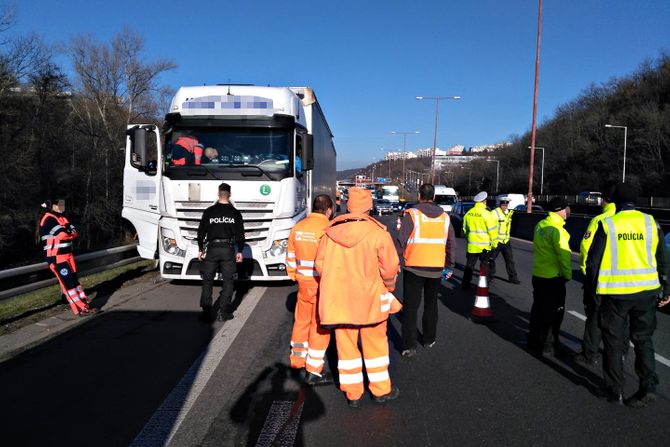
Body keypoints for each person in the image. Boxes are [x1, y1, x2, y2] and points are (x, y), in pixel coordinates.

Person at [315, 187, 401, 407]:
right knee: (376, 347)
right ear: (369, 207)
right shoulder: (378, 233)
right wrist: (388, 288)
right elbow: (390, 268)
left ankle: (353, 394)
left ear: (347, 205)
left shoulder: (330, 234)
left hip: (340, 303)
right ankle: (381, 391)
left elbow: (320, 266)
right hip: (371, 301)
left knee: (346, 349)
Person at [586, 183, 670, 406]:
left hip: (615, 294)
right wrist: (666, 289)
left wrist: (592, 289)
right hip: (646, 292)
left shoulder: (608, 224)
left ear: (615, 201)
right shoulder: (651, 223)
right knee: (643, 340)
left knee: (613, 341)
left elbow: (593, 262)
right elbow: (663, 258)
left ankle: (614, 390)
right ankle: (648, 387)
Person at [397, 183, 455, 357]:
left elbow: (401, 242)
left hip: (414, 267)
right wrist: (450, 265)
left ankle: (409, 346)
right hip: (436, 268)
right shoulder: (445, 217)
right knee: (431, 305)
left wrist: (393, 262)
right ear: (434, 197)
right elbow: (451, 243)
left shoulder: (413, 214)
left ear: (420, 196)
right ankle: (429, 339)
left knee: (411, 308)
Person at [285, 194, 335, 386]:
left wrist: (295, 275)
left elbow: (290, 256)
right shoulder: (327, 230)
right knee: (319, 326)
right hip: (320, 285)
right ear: (329, 210)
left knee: (301, 321)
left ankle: (297, 361)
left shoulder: (297, 228)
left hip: (302, 284)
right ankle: (314, 369)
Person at [573, 192, 617, 365]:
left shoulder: (600, 220)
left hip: (599, 277)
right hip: (625, 280)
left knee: (594, 315)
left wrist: (585, 270)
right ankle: (617, 354)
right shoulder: (636, 221)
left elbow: (586, 246)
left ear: (605, 200)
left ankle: (589, 352)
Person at [527, 197, 572, 357]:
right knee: (554, 313)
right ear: (559, 210)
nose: (567, 212)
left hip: (538, 275)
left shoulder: (541, 225)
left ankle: (533, 341)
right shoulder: (558, 230)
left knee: (537, 309)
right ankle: (549, 345)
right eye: (565, 209)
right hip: (553, 278)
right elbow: (564, 257)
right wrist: (567, 275)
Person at [39, 199, 97, 316]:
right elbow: (63, 234)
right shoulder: (48, 219)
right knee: (68, 283)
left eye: (63, 204)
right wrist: (68, 232)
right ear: (52, 206)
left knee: (74, 280)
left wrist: (69, 233)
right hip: (56, 257)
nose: (62, 206)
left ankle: (83, 303)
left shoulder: (62, 218)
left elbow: (74, 232)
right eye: (59, 204)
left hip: (67, 255)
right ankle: (80, 309)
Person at [197, 182, 245, 322]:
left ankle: (206, 313)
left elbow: (200, 233)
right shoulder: (235, 213)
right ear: (229, 195)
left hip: (212, 249)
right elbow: (241, 235)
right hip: (228, 250)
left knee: (207, 280)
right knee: (228, 281)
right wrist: (240, 251)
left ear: (218, 194)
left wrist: (200, 249)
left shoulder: (209, 211)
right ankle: (223, 313)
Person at [461, 191, 498, 290]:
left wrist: (469, 238)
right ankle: (483, 286)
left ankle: (465, 285)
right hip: (484, 247)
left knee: (469, 266)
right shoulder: (487, 214)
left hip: (472, 246)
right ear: (484, 202)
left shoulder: (469, 213)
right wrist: (494, 243)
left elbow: (465, 229)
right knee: (484, 267)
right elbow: (492, 231)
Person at [490, 197, 520, 284]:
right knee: (491, 259)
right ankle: (490, 275)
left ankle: (513, 277)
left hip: (506, 241)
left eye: (506, 204)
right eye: (503, 204)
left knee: (510, 260)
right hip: (496, 240)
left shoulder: (509, 213)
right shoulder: (494, 213)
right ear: (500, 204)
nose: (505, 206)